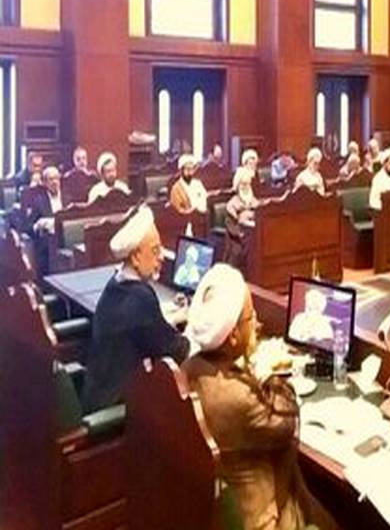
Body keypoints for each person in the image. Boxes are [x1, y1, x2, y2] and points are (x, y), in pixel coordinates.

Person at [183, 265, 338, 530]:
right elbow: (288, 419)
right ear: (232, 335)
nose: (257, 323)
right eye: (250, 317)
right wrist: (268, 371)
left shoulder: (190, 368)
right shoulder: (237, 398)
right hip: (262, 515)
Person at [81, 206, 192, 412]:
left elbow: (144, 326)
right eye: (155, 250)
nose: (161, 257)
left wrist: (167, 316)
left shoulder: (116, 283)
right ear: (135, 258)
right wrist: (196, 330)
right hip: (114, 408)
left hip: (96, 394)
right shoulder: (141, 297)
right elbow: (175, 349)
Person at [24, 166, 64, 276]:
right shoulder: (38, 202)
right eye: (51, 179)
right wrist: (39, 225)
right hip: (47, 245)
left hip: (66, 239)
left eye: (56, 178)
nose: (54, 182)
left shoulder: (68, 198)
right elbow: (28, 226)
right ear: (45, 183)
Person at [225, 167, 259, 269]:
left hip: (255, 235)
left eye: (248, 184)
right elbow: (231, 226)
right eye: (243, 184)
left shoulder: (255, 202)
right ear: (238, 185)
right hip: (238, 239)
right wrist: (241, 233)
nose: (246, 187)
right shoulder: (232, 204)